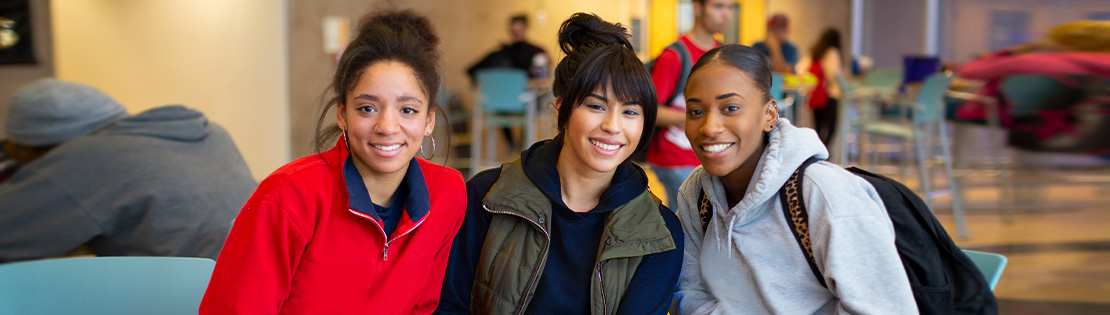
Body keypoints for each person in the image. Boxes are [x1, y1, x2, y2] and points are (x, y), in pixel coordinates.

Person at [200, 10, 466, 314]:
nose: (388, 126)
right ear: (342, 114)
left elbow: (424, 307)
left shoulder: (447, 193)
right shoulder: (288, 196)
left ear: (429, 119)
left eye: (408, 110)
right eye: (367, 108)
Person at [437, 13, 683, 315]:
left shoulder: (660, 233)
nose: (613, 126)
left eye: (630, 112)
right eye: (596, 106)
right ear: (561, 110)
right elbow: (450, 305)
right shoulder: (487, 197)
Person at [675, 44, 916, 314]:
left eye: (730, 108)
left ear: (770, 114)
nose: (709, 127)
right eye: (696, 112)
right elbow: (690, 294)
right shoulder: (696, 195)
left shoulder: (825, 195)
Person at [0, 78, 256, 262]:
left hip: (173, 301)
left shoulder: (92, 156)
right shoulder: (210, 132)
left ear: (44, 149)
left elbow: (8, 233)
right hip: (258, 293)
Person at [647, 0, 732, 208]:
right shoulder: (675, 56)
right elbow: (652, 110)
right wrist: (696, 117)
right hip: (674, 155)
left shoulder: (722, 54)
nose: (726, 14)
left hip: (707, 152)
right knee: (688, 223)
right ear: (697, 8)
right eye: (718, 6)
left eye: (730, 7)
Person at [466, 14, 549, 152]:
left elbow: (472, 71)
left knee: (515, 103)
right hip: (522, 102)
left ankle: (515, 144)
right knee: (529, 106)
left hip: (499, 103)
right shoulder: (533, 52)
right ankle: (522, 148)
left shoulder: (502, 54)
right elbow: (543, 79)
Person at [806, 28, 845, 147]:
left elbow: (802, 69)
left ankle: (816, 154)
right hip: (829, 94)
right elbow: (833, 74)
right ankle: (823, 154)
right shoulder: (833, 52)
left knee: (817, 129)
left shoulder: (815, 52)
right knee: (831, 128)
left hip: (815, 94)